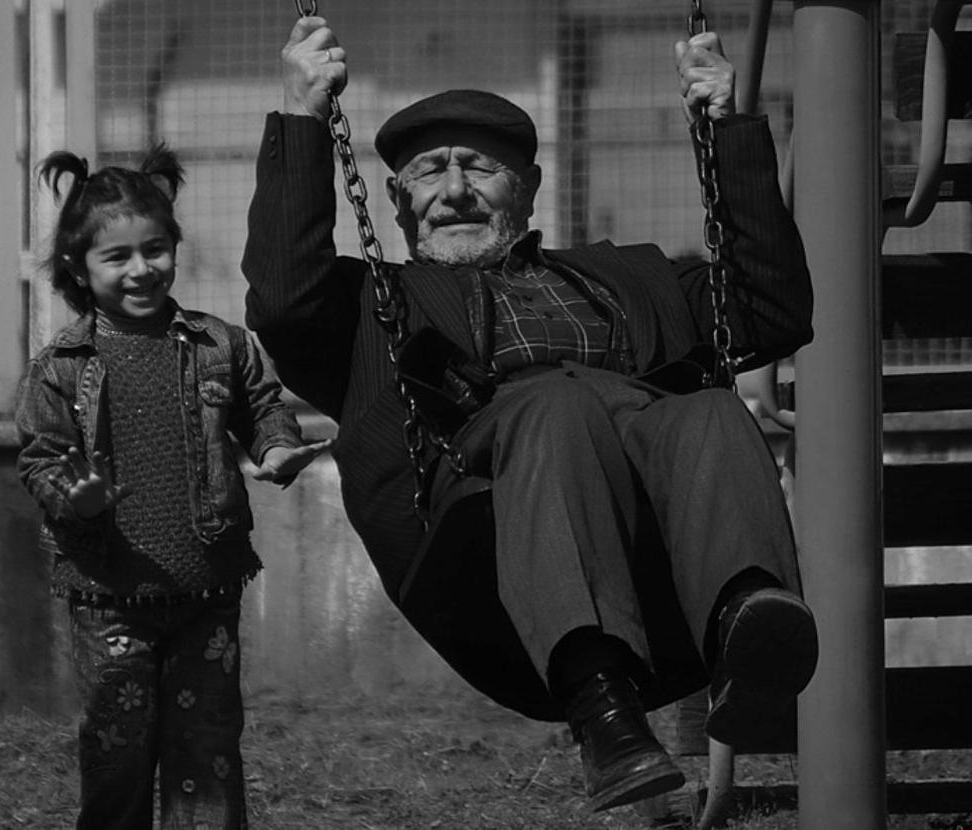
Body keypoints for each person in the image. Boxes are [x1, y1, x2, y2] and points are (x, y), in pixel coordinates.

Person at [242, 16, 819, 813]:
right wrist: (302, 113)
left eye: (481, 168)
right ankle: (604, 711)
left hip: (647, 517)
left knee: (712, 409)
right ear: (397, 202)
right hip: (478, 524)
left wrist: (728, 127)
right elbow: (281, 295)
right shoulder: (374, 306)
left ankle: (746, 627)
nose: (454, 191)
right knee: (554, 404)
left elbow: (771, 310)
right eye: (428, 173)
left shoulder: (636, 277)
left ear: (530, 187)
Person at [15, 143, 329, 829]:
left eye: (155, 249)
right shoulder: (60, 369)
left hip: (206, 593)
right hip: (109, 599)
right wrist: (78, 500)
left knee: (208, 753)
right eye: (118, 256)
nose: (141, 269)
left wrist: (279, 448)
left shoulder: (221, 344)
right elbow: (42, 462)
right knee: (117, 753)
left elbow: (265, 409)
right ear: (79, 266)